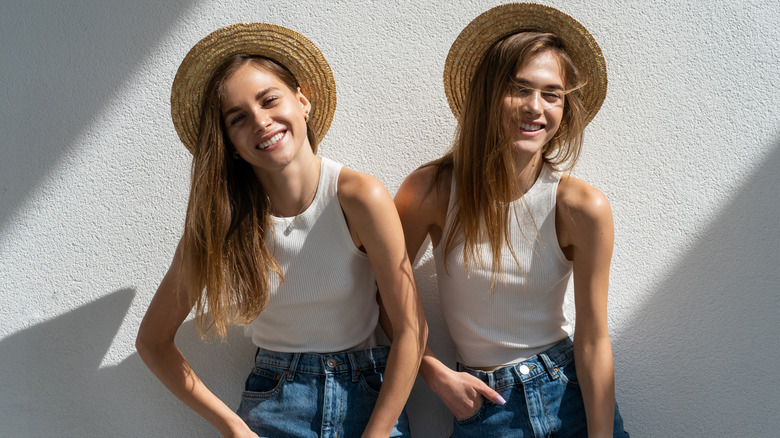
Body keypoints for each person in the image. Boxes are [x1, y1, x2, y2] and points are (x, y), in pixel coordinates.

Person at [136, 23, 426, 438]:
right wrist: (232, 427)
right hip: (275, 404)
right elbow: (153, 341)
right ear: (231, 144)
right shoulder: (220, 222)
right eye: (238, 118)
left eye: (269, 100)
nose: (261, 121)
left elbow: (412, 330)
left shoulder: (359, 196)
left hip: (369, 398)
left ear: (302, 101)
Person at [394, 3, 628, 437]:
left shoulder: (581, 206)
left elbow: (594, 339)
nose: (534, 107)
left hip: (568, 398)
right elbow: (383, 296)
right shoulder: (431, 190)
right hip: (486, 407)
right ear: (487, 95)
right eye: (519, 89)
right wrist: (435, 373)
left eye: (551, 94)